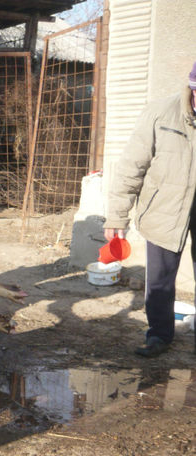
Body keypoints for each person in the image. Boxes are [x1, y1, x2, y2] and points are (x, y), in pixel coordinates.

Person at [105, 61, 196, 358]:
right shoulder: (160, 113)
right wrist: (117, 214)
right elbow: (132, 165)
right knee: (159, 281)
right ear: (192, 87)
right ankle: (159, 335)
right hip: (164, 208)